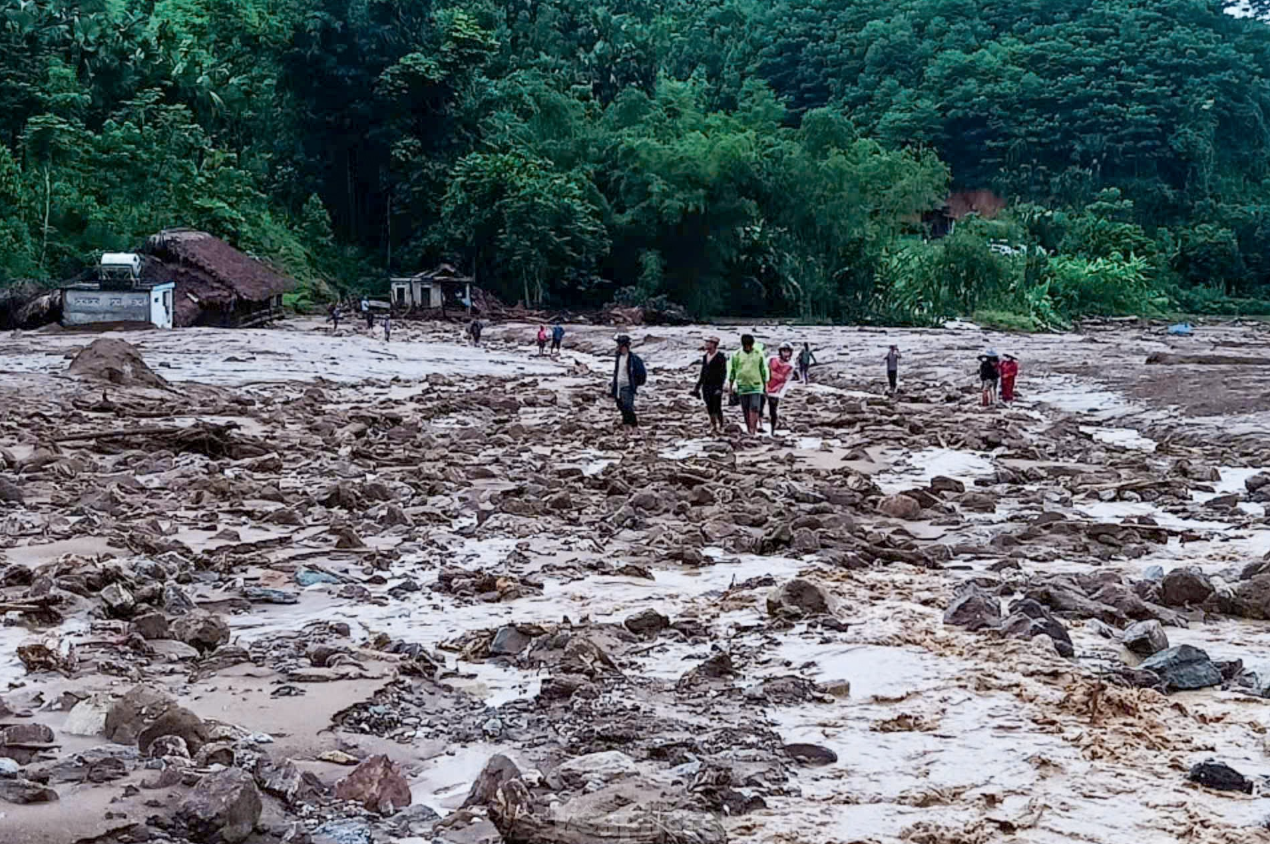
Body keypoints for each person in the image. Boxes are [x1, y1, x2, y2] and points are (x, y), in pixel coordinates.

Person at [727, 334, 769, 436]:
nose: (748, 348)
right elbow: (732, 370)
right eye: (746, 346)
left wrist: (766, 385)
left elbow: (764, 370)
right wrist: (730, 386)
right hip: (742, 386)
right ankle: (749, 427)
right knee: (745, 409)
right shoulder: (736, 355)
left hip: (756, 386)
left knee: (754, 407)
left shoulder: (759, 354)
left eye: (749, 345)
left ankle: (753, 430)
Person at [610, 335, 646, 428]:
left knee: (627, 406)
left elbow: (641, 373)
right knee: (620, 406)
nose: (621, 349)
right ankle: (626, 426)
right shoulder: (618, 357)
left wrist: (636, 383)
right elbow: (616, 371)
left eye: (623, 346)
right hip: (618, 385)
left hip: (628, 385)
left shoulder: (634, 358)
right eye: (620, 346)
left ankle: (634, 426)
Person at [692, 335, 727, 433]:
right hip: (706, 385)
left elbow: (723, 373)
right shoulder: (705, 356)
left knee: (717, 406)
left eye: (709, 342)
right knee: (709, 406)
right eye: (706, 342)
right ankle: (713, 425)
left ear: (714, 345)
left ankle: (721, 425)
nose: (706, 344)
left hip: (716, 385)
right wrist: (697, 387)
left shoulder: (720, 357)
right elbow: (702, 373)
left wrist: (720, 387)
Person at [766, 343, 796, 433]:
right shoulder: (771, 359)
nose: (786, 354)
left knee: (773, 411)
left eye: (788, 351)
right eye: (784, 351)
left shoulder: (791, 366)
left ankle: (772, 429)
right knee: (758, 407)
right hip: (764, 386)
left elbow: (787, 380)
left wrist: (781, 393)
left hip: (776, 391)